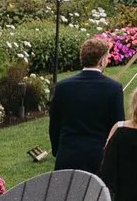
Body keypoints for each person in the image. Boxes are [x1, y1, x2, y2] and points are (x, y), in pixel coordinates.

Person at [49, 37, 126, 175]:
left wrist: (58, 150)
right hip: (98, 158)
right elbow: (118, 127)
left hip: (68, 156)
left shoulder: (63, 87)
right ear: (102, 60)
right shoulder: (113, 88)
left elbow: (54, 125)